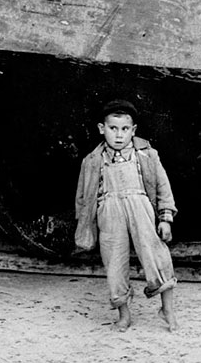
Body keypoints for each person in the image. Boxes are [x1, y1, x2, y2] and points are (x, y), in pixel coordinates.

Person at [74, 98, 178, 331]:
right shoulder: (92, 161)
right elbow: (83, 197)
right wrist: (85, 224)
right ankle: (124, 314)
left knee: (155, 255)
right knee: (114, 261)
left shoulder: (147, 155)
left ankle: (167, 309)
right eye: (113, 129)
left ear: (134, 130)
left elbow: (163, 187)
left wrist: (165, 218)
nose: (119, 135)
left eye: (124, 129)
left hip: (140, 207)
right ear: (102, 129)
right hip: (109, 212)